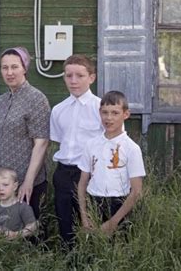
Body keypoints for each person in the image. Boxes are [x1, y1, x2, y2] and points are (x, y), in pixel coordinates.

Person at [0, 47, 50, 223]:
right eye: (4, 68)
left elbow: (42, 143)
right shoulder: (1, 101)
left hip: (25, 183)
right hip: (1, 184)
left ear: (24, 68)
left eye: (14, 67)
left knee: (29, 235)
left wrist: (28, 182)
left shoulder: (36, 99)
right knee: (1, 234)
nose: (9, 72)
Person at [49, 54, 104, 246]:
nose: (73, 81)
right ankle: (68, 259)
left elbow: (113, 142)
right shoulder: (58, 110)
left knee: (91, 220)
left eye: (79, 75)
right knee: (65, 223)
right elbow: (58, 141)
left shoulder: (101, 108)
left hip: (90, 173)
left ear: (91, 77)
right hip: (64, 172)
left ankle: (91, 259)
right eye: (68, 75)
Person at [77, 91, 145, 235]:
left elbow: (137, 191)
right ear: (99, 113)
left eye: (115, 113)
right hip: (93, 203)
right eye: (105, 112)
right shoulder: (91, 144)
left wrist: (113, 222)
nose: (109, 118)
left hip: (120, 206)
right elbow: (83, 183)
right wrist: (84, 216)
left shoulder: (131, 148)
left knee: (117, 251)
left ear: (125, 114)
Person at [0, 168, 37, 240]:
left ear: (15, 186)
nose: (1, 189)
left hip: (20, 246)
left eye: (5, 185)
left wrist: (17, 234)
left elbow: (32, 226)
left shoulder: (22, 207)